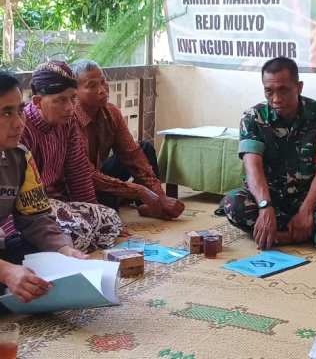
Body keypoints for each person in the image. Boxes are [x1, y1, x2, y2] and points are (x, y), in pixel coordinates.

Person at [222, 57, 316, 250]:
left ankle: (288, 234)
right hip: (271, 202)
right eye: (269, 91)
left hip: (313, 202)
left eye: (283, 90)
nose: (276, 99)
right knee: (233, 202)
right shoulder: (253, 118)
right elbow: (253, 168)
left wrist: (307, 210)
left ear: (299, 87)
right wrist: (265, 206)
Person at [2, 61, 122, 253]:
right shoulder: (19, 137)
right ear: (37, 102)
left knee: (108, 217)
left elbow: (78, 174)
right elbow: (17, 212)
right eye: (60, 100)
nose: (70, 108)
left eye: (73, 98)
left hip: (45, 209)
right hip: (23, 219)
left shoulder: (20, 154)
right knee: (74, 235)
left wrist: (94, 217)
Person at [0, 70, 88, 304]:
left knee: (44, 263)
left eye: (20, 111)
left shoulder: (19, 159)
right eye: (6, 113)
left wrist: (64, 251)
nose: (19, 123)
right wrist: (6, 272)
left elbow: (37, 218)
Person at [70, 59, 184, 220]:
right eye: (92, 86)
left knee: (144, 149)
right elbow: (84, 175)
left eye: (103, 82)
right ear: (74, 92)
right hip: (79, 182)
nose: (102, 90)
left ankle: (150, 206)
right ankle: (125, 198)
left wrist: (160, 197)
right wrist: (139, 190)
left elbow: (133, 155)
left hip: (99, 172)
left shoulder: (112, 112)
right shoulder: (70, 119)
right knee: (109, 214)